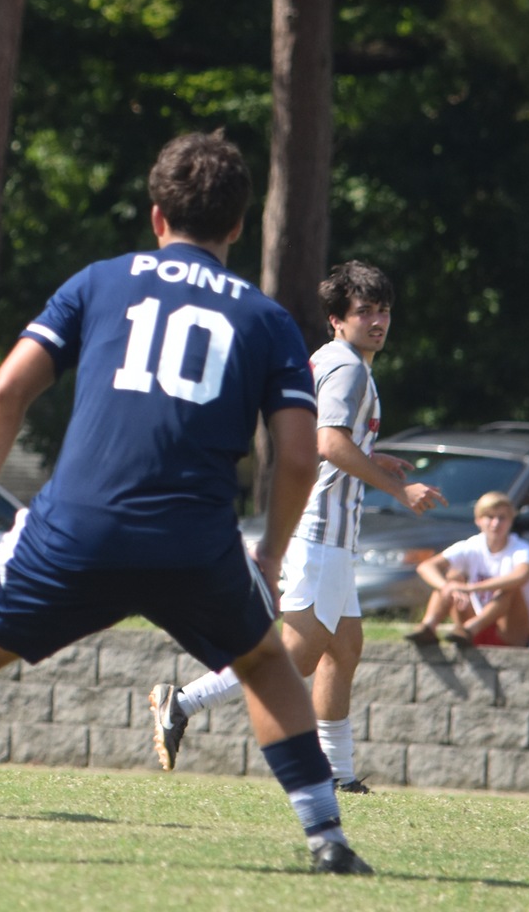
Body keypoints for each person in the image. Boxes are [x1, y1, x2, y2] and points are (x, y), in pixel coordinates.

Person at [0, 132, 374, 874]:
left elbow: (6, 390)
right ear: (237, 226)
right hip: (195, 543)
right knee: (266, 664)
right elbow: (297, 455)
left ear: (157, 215)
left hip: (78, 527)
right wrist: (268, 550)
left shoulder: (99, 281)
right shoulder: (267, 322)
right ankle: (326, 837)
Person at [147, 261, 443, 791]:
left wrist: (378, 457)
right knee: (296, 658)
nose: (378, 321)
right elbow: (328, 443)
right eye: (364, 312)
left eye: (384, 311)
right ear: (337, 319)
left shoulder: (340, 361)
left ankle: (339, 773)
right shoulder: (349, 366)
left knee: (344, 650)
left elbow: (334, 441)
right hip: (321, 536)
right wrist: (398, 488)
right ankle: (183, 701)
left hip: (331, 537)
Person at [409, 492, 529, 647]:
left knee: (509, 588)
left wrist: (471, 588)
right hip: (473, 623)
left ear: (511, 520)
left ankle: (470, 628)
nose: (496, 523)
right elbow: (426, 566)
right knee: (452, 579)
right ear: (478, 520)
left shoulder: (521, 549)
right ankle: (428, 627)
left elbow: (522, 575)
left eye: (502, 517)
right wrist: (448, 587)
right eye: (490, 517)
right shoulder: (470, 546)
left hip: (512, 631)